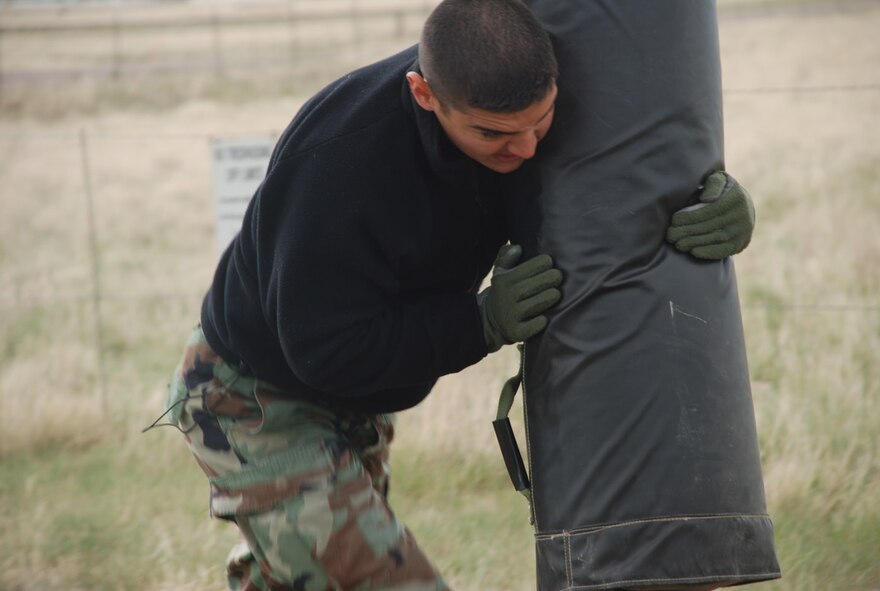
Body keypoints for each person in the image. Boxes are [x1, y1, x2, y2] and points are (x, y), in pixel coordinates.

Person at [158, 1, 757, 589]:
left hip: (359, 396)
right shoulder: (340, 166)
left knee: (309, 575)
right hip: (252, 394)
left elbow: (610, 192)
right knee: (380, 578)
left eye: (539, 123)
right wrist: (482, 324)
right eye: (494, 133)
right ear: (425, 95)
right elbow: (326, 349)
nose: (524, 149)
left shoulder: (515, 99)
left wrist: (707, 200)